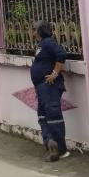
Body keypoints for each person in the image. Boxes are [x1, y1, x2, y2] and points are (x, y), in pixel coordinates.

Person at [30, 21, 69, 161]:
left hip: (50, 86)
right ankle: (50, 145)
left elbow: (61, 54)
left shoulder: (48, 42)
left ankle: (61, 149)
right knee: (43, 116)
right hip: (42, 87)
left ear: (40, 30)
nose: (32, 32)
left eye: (34, 29)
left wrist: (54, 73)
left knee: (53, 116)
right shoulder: (41, 45)